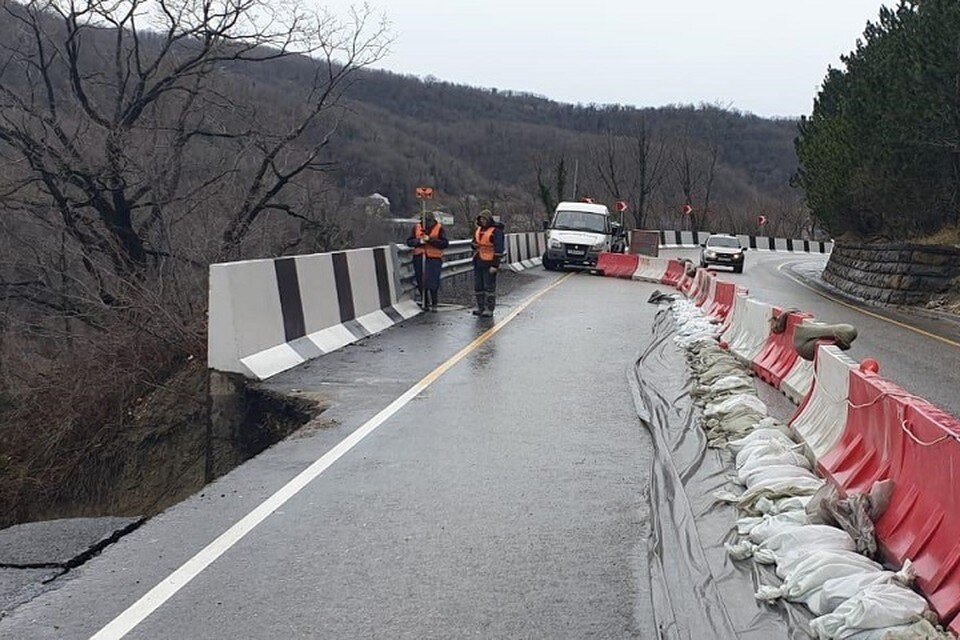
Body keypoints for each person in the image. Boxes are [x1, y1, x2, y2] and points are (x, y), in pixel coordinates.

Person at [405, 211, 448, 312]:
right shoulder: (416, 228)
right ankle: (425, 302)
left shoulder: (439, 228)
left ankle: (434, 302)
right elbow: (409, 241)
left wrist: (430, 240)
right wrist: (419, 242)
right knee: (421, 280)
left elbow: (444, 243)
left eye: (427, 221)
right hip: (419, 257)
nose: (425, 223)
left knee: (432, 281)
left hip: (434, 258)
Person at [471, 210, 505, 317]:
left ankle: (489, 308)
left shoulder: (496, 231)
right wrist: (474, 245)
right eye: (481, 219)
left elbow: (499, 249)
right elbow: (473, 242)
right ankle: (480, 307)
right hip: (478, 261)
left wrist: (495, 265)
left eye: (484, 219)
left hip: (489, 262)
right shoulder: (479, 230)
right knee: (478, 286)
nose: (482, 221)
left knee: (489, 287)